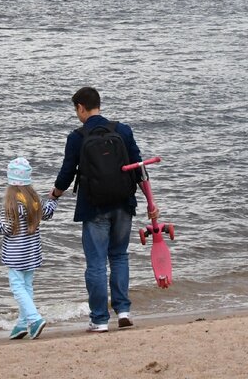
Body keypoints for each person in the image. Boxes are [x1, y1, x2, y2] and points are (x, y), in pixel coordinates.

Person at [50, 86, 158, 332]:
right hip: (123, 203)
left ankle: (99, 320)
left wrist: (55, 194)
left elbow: (67, 174)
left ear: (80, 107)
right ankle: (123, 311)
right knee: (119, 256)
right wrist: (151, 202)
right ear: (99, 104)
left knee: (97, 263)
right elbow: (139, 168)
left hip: (93, 206)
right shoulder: (122, 130)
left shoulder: (77, 137)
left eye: (76, 110)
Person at [0, 157, 58, 339]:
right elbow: (48, 212)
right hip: (32, 253)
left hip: (15, 255)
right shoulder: (34, 200)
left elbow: (6, 228)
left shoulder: (11, 203)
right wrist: (52, 198)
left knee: (18, 287)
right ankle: (21, 325)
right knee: (26, 287)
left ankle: (34, 319)